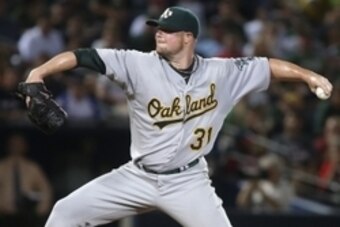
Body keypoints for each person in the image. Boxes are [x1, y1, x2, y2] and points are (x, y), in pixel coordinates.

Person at [20, 6, 333, 227]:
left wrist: (309, 76)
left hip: (188, 181)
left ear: (188, 37)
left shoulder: (220, 73)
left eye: (168, 30)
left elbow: (268, 66)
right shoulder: (136, 64)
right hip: (137, 177)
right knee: (65, 213)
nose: (159, 33)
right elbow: (83, 56)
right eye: (158, 27)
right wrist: (39, 72)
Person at [0, 133, 53, 227]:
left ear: (25, 146)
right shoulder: (2, 166)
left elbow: (45, 189)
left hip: (28, 215)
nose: (16, 147)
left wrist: (41, 209)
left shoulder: (33, 168)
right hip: (4, 215)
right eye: (13, 144)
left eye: (19, 144)